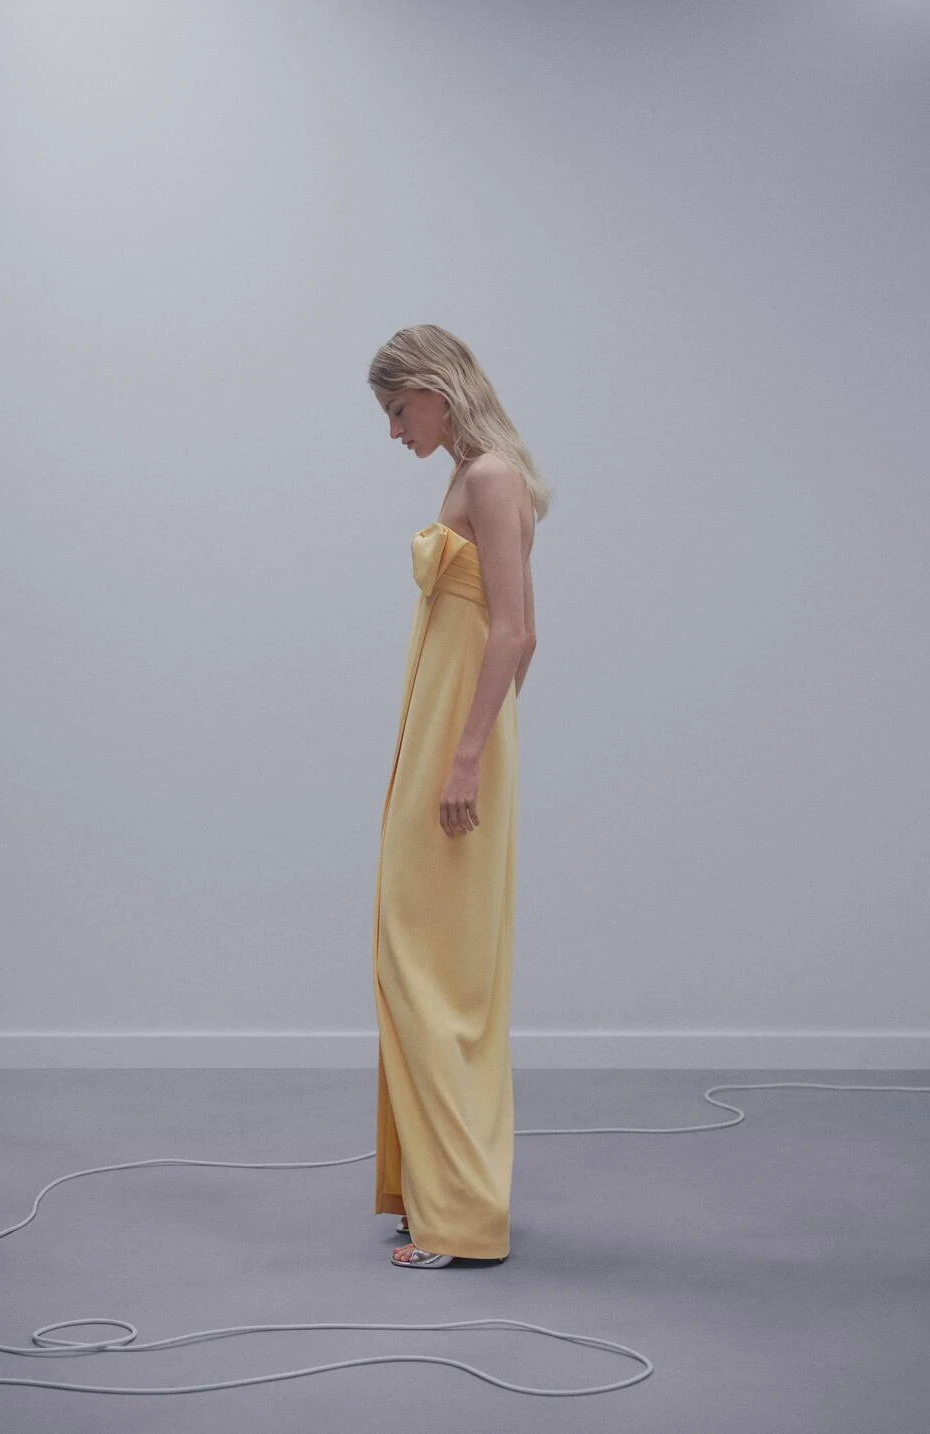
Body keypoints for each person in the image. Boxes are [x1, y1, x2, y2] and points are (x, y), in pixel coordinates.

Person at [368, 324, 552, 1268]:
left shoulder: (490, 478)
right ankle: (439, 1195)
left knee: (435, 971)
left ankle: (462, 1216)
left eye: (399, 410)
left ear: (437, 391)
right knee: (418, 958)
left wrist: (472, 756)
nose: (395, 431)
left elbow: (516, 633)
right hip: (441, 740)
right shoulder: (472, 476)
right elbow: (510, 634)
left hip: (457, 750)